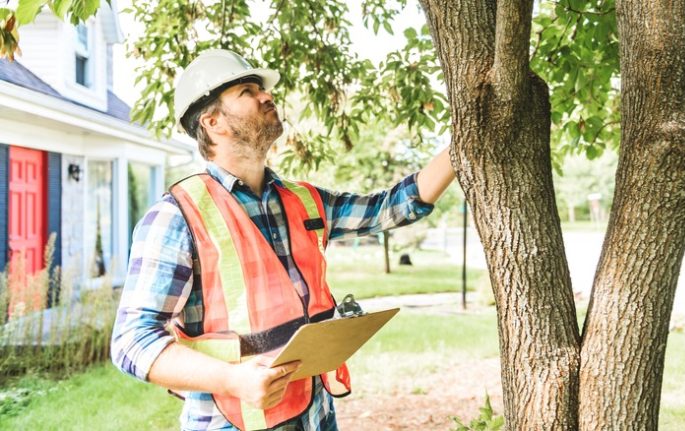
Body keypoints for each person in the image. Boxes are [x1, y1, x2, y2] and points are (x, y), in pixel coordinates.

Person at [110, 49, 455, 431]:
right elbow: (131, 342)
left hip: (315, 412)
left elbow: (392, 207)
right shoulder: (176, 216)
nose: (266, 96)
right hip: (232, 420)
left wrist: (462, 144)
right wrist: (231, 379)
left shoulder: (303, 201)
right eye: (247, 90)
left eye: (261, 88)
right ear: (212, 122)